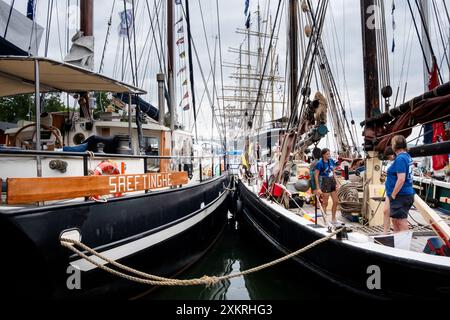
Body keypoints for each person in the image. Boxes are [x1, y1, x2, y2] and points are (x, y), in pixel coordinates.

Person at [384, 135, 415, 233]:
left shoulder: (400, 158)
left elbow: (401, 179)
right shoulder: (406, 156)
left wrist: (393, 194)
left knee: (401, 221)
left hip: (400, 195)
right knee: (395, 220)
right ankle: (398, 244)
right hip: (403, 194)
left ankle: (404, 247)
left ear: (395, 145)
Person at [315, 148, 338, 224]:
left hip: (332, 181)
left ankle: (333, 218)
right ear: (323, 155)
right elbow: (316, 176)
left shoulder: (331, 161)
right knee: (325, 203)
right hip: (325, 182)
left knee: (336, 201)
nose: (329, 155)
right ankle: (325, 220)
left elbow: (333, 172)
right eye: (327, 154)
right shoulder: (319, 163)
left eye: (329, 154)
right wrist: (318, 188)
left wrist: (337, 183)